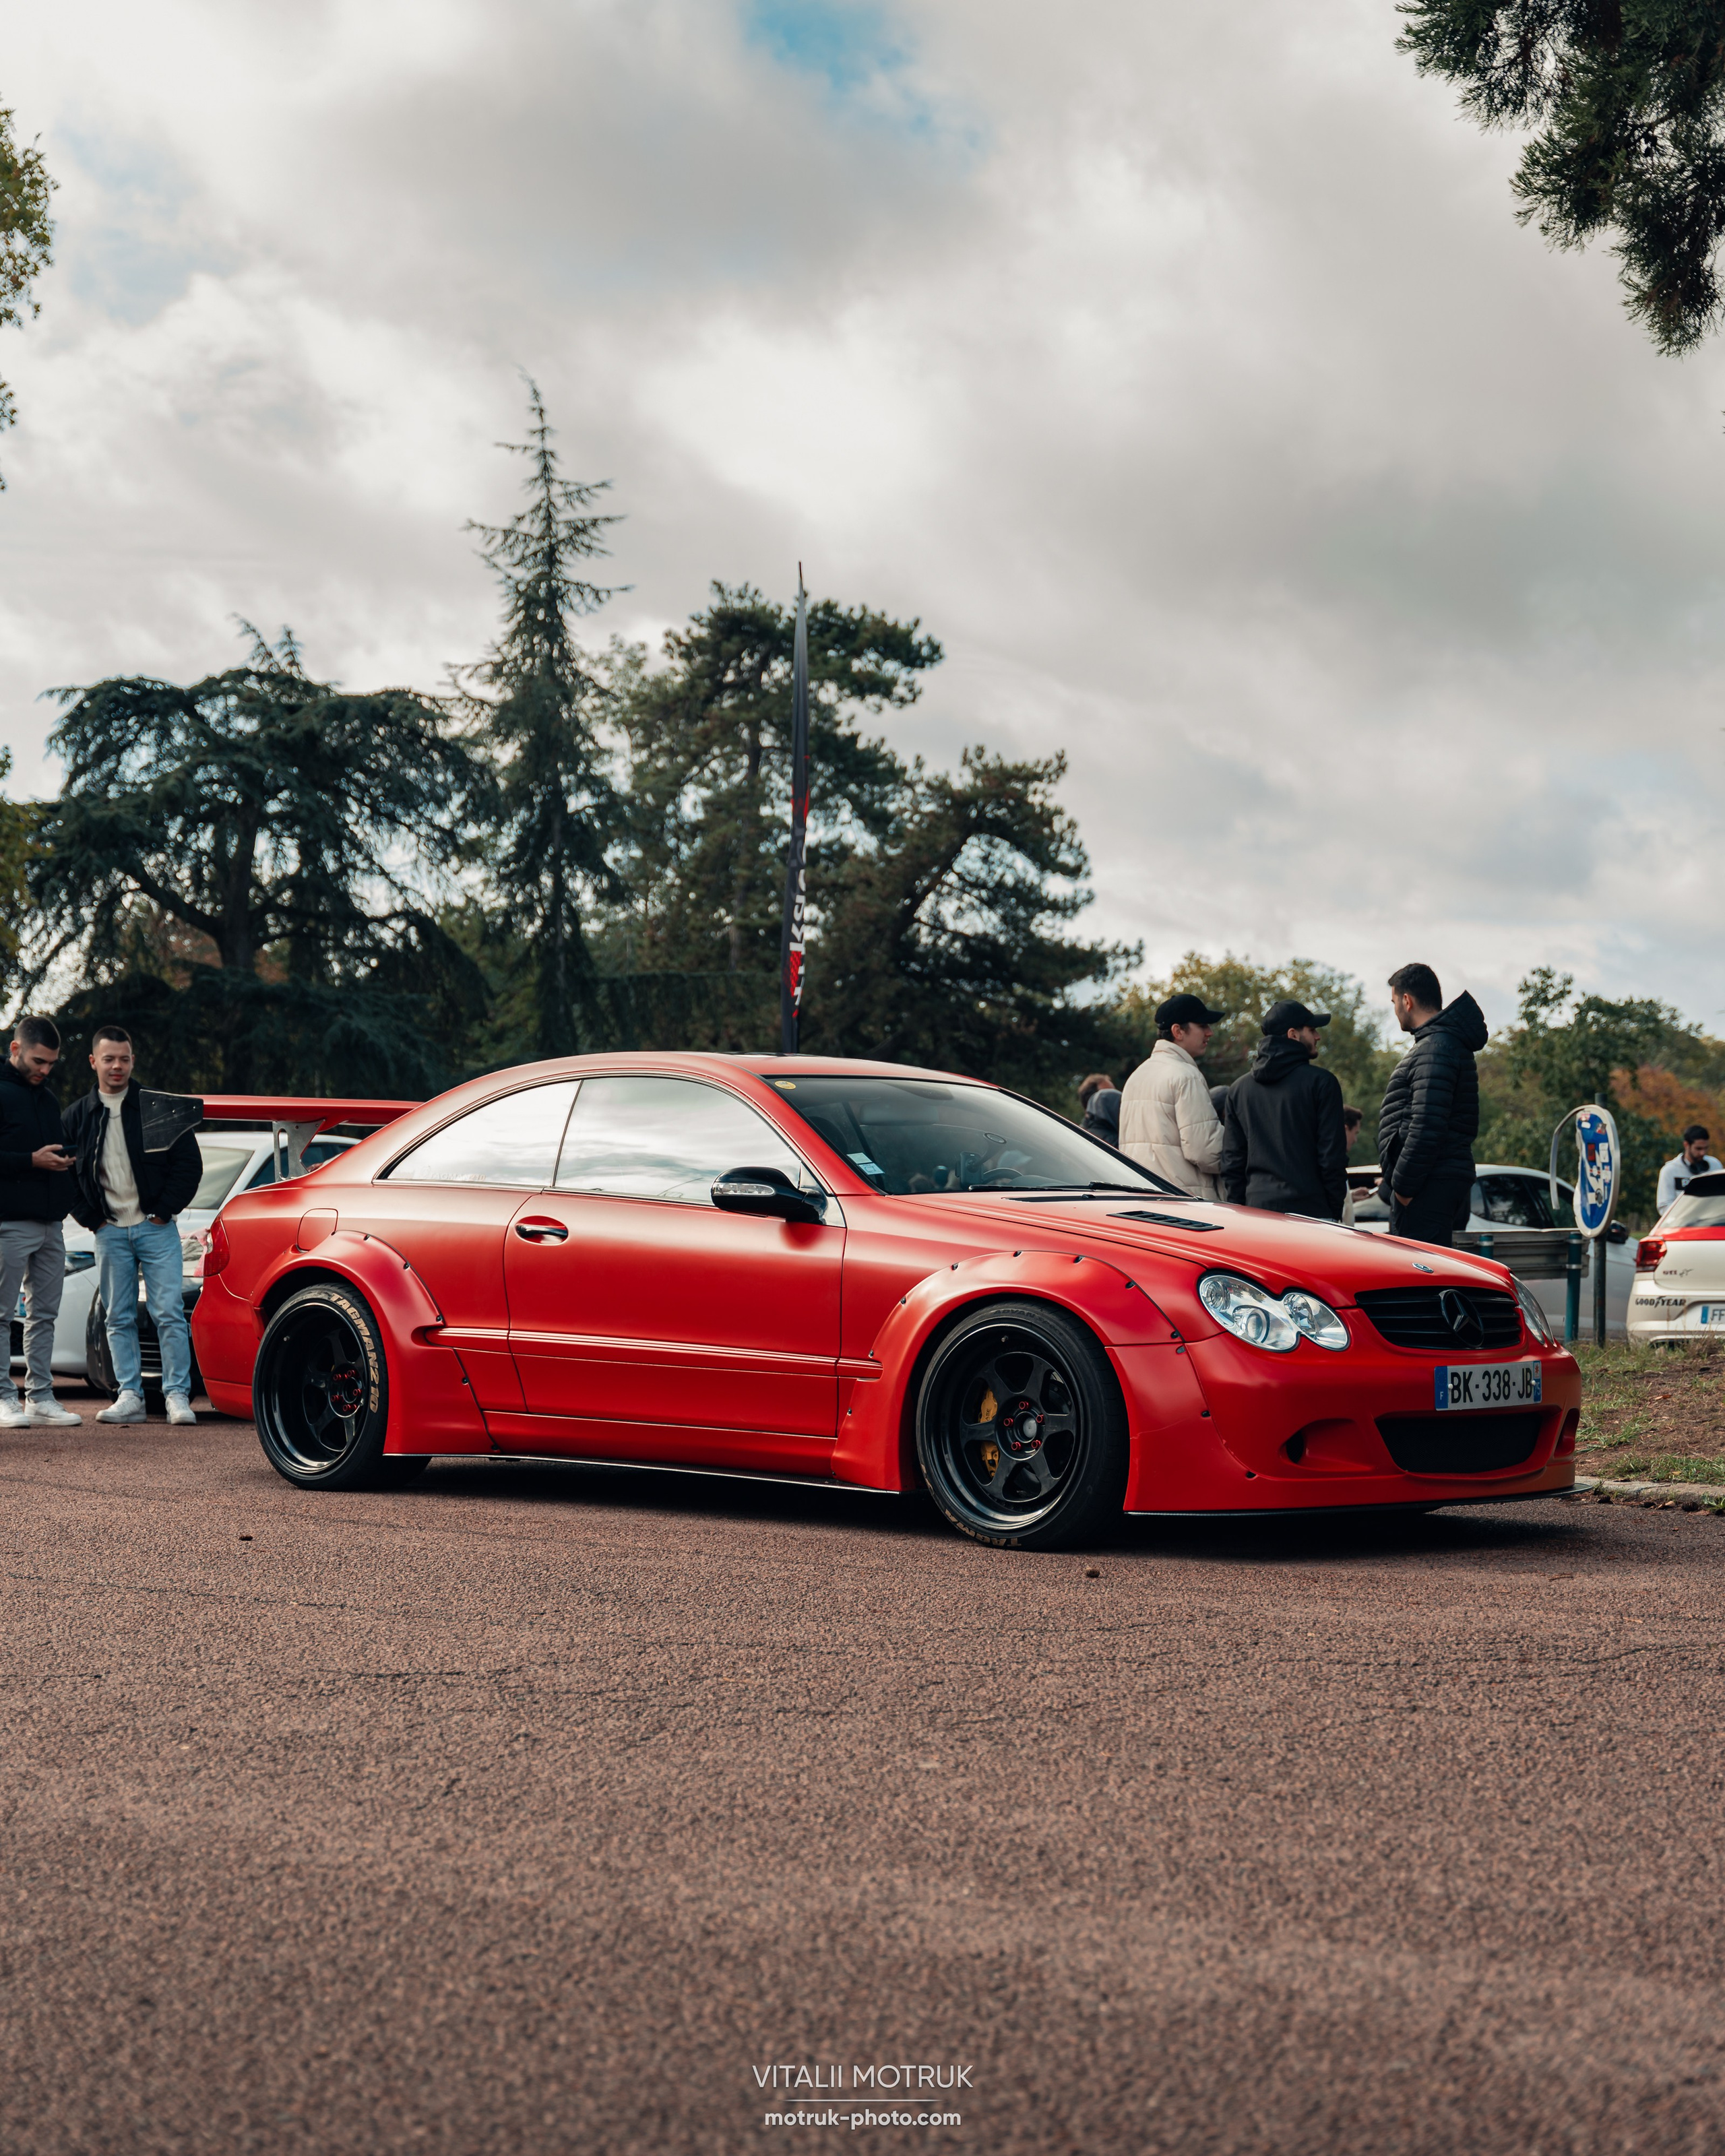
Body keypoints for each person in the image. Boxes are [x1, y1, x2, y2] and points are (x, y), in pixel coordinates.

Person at [63, 1025, 203, 1427]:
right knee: (117, 1316)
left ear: (133, 1060)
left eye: (124, 1058)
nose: (117, 1066)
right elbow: (64, 1174)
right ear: (94, 1062)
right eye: (108, 1059)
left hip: (156, 1229)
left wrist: (162, 1212)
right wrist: (92, 1220)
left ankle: (177, 1396)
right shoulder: (77, 1116)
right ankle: (129, 1395)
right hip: (109, 1232)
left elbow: (188, 1165)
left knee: (169, 1313)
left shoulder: (156, 1108)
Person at [0, 1015, 81, 1428]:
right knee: (0, 1316)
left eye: (52, 1063)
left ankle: (40, 1397)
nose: (45, 1070)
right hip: (9, 1222)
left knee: (43, 1316)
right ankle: (2, 1398)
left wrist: (66, 1161)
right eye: (38, 1061)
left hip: (52, 1224)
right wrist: (31, 1161)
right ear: (15, 1050)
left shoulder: (49, 1100)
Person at [1377, 962, 1488, 1247]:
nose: (1395, 1010)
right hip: (1434, 1183)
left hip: (1428, 1187)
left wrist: (1403, 1189)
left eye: (1394, 1002)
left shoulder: (1436, 1047)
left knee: (1418, 1283)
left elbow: (1427, 1124)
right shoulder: (1440, 1044)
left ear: (1406, 1000)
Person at [1219, 999, 1347, 1219]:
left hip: (1256, 1213)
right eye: (1312, 1030)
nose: (1318, 1037)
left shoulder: (1239, 1089)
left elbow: (1232, 1162)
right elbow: (1331, 1158)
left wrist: (1239, 1210)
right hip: (1312, 1214)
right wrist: (1334, 1211)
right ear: (1293, 1035)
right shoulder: (1322, 1083)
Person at [1118, 993, 1230, 1198]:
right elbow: (1205, 1151)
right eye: (1203, 1025)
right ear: (1178, 1031)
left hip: (1140, 1197)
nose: (1210, 1033)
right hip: (1184, 1204)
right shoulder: (1187, 1076)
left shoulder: (1136, 1076)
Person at [1656, 1125, 1722, 1215]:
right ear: (1686, 1145)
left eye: (1706, 1148)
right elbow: (1664, 1207)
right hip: (1682, 1226)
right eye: (1698, 1149)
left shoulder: (1715, 1165)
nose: (1703, 1153)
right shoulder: (1669, 1171)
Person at [1077, 1073, 1122, 1148]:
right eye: (1107, 1095)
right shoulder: (1114, 1142)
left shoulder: (1076, 1135)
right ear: (1094, 1100)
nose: (1115, 1098)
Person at [1340, 1106, 1363, 1226]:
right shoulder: (1333, 1165)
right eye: (1355, 1133)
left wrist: (1351, 1196)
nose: (1355, 1140)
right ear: (1345, 1129)